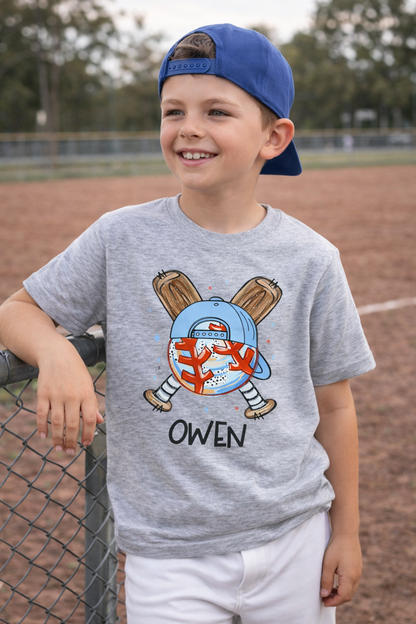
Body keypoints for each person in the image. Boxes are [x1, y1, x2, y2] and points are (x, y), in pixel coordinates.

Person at [0, 24, 375, 624]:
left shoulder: (311, 259)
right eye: (173, 110)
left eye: (217, 111)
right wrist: (57, 353)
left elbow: (335, 406)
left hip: (294, 536)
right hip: (167, 555)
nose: (189, 127)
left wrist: (347, 533)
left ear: (273, 137)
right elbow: (17, 310)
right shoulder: (121, 237)